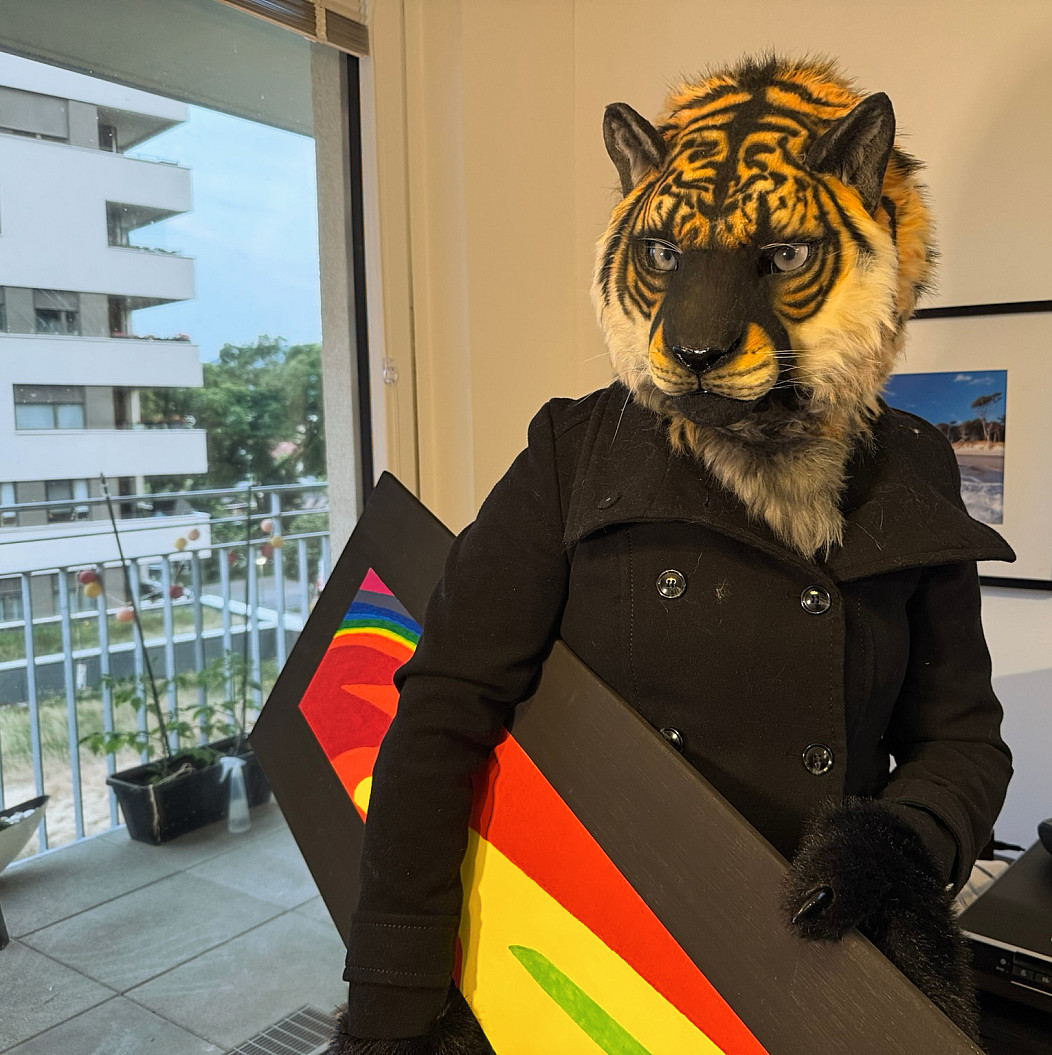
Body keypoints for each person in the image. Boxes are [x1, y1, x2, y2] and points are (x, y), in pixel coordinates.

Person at [330, 56, 1013, 1054]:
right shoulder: (574, 450)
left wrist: (899, 846)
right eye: (663, 254)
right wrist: (391, 1006)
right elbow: (441, 714)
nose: (695, 334)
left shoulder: (913, 463)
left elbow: (964, 741)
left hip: (812, 974)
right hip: (594, 965)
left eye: (780, 256)